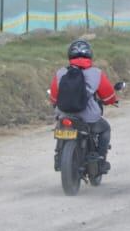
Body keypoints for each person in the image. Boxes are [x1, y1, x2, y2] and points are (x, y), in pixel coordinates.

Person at [49, 39, 120, 171]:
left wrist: (55, 105)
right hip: (88, 117)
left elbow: (53, 97)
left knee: (60, 127)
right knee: (105, 129)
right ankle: (101, 161)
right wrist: (111, 101)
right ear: (90, 55)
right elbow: (108, 95)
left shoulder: (60, 73)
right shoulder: (96, 73)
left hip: (64, 114)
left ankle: (59, 155)